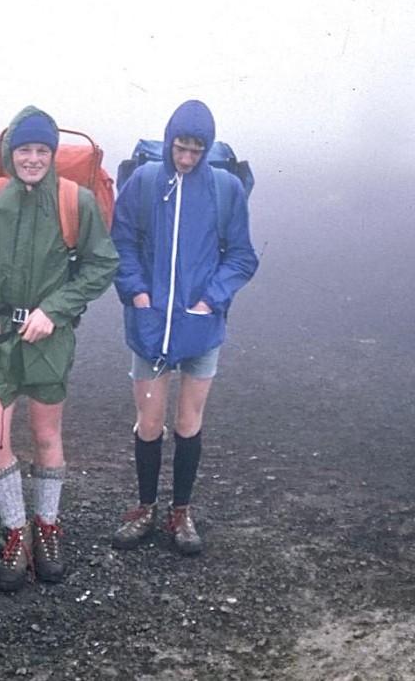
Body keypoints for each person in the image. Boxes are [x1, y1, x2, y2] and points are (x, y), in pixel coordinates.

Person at [0, 106, 119, 591]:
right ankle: (16, 532)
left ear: (53, 154)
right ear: (9, 153)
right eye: (25, 150)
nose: (34, 159)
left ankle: (47, 527)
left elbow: (102, 264)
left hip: (48, 339)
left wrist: (55, 310)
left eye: (43, 150)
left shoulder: (76, 202)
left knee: (45, 434)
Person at [109, 100, 257, 555]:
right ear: (169, 141)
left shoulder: (226, 189)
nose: (188, 158)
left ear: (207, 148)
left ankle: (181, 512)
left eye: (196, 150)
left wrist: (209, 301)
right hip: (150, 324)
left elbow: (242, 256)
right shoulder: (144, 181)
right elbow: (121, 243)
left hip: (201, 326)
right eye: (180, 148)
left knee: (189, 421)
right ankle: (145, 508)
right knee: (149, 421)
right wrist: (138, 295)